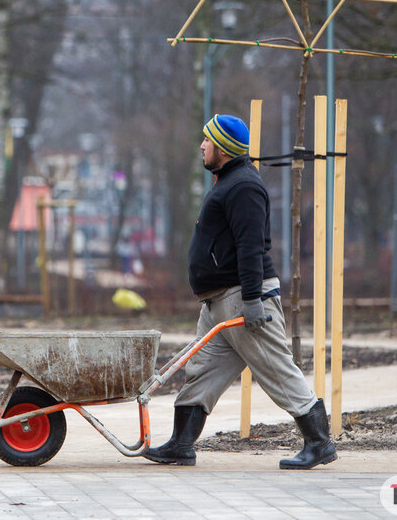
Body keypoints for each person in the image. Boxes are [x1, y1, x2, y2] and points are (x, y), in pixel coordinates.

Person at [143, 114, 336, 470]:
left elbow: (251, 247)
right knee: (202, 371)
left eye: (207, 140)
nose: (201, 145)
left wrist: (251, 301)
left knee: (276, 369)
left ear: (223, 148)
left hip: (243, 298)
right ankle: (181, 445)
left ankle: (319, 442)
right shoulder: (227, 182)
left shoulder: (243, 186)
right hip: (218, 301)